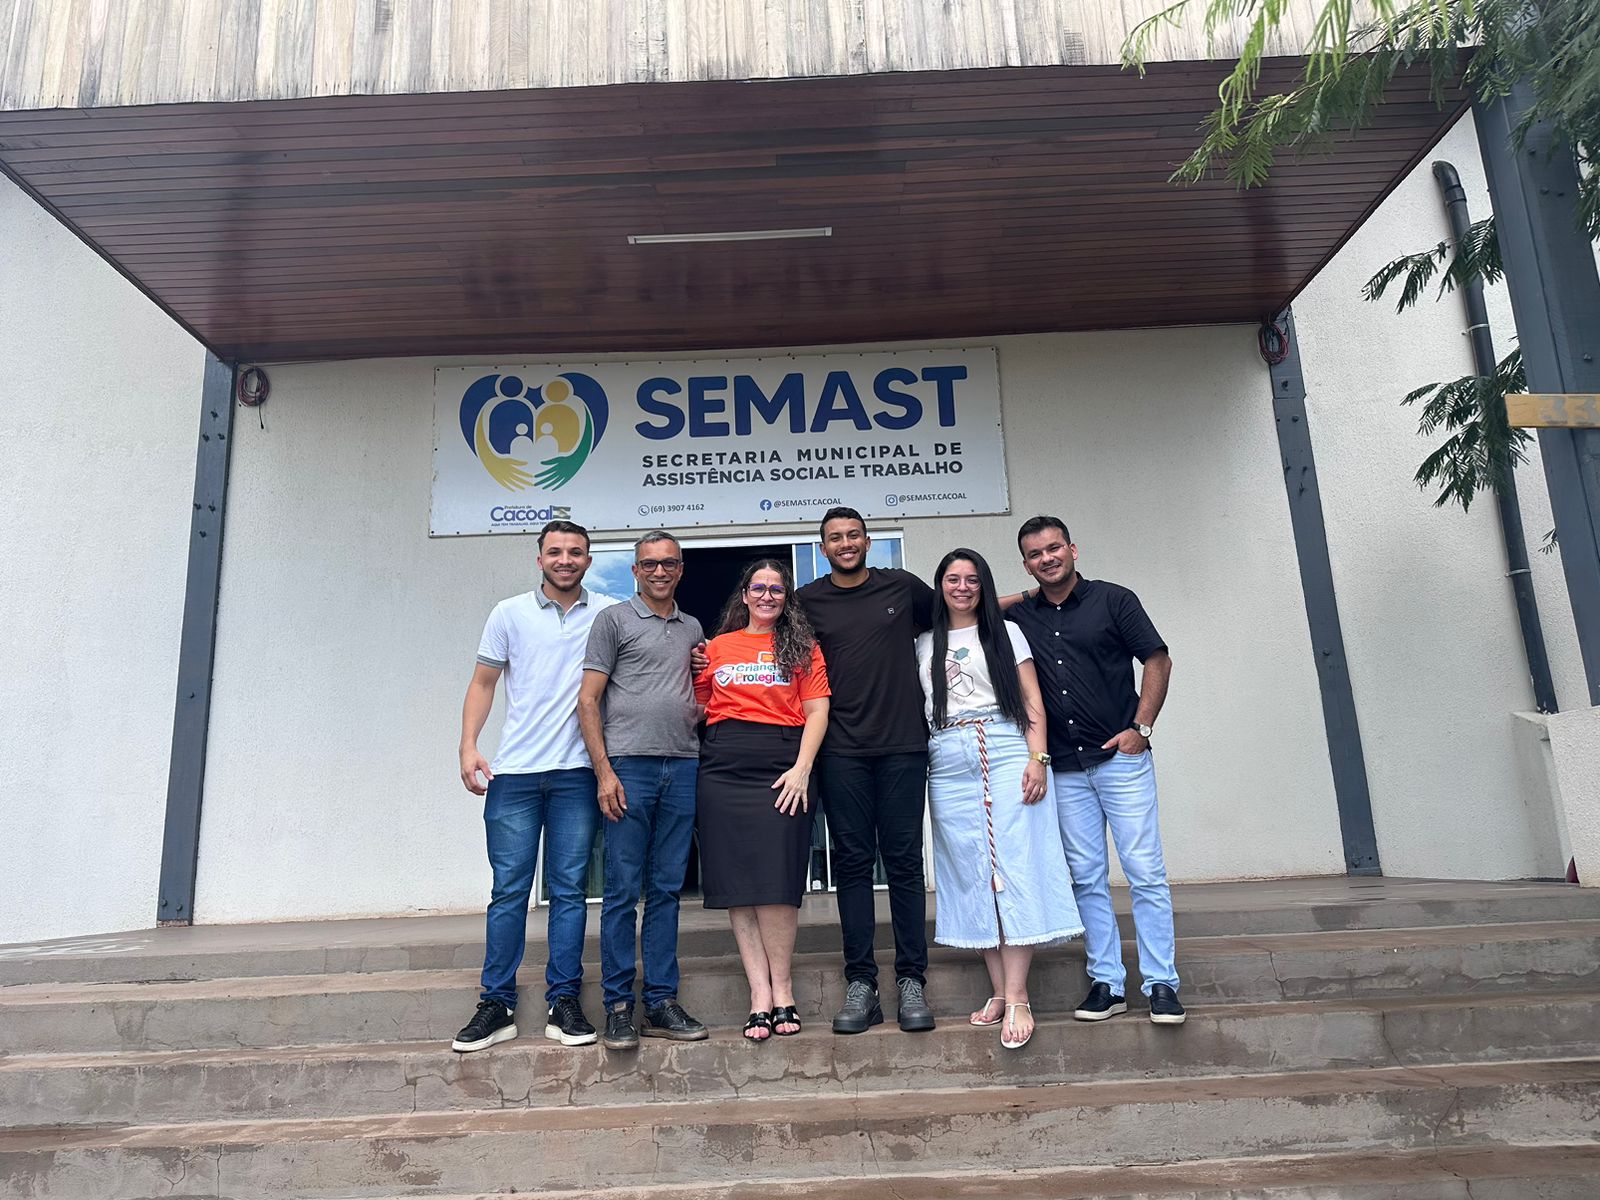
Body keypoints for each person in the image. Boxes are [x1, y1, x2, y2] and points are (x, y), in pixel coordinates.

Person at [1006, 515, 1183, 1026]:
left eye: (1054, 548)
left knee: (1145, 873)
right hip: (1064, 768)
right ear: (1026, 564)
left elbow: (1158, 660)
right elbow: (972, 606)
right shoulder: (1023, 616)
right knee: (1085, 878)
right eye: (1036, 554)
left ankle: (1162, 983)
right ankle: (1107, 982)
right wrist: (1026, 594)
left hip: (1120, 760)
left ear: (1073, 549)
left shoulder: (1114, 600)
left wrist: (1141, 728)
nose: (1047, 558)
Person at [453, 520, 617, 1053]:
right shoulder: (509, 613)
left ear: (588, 560)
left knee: (569, 891)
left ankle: (563, 1002)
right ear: (539, 557)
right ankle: (495, 1005)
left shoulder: (608, 613)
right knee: (508, 892)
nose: (565, 559)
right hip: (515, 774)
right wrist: (468, 746)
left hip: (577, 774)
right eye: (555, 551)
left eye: (575, 552)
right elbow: (483, 682)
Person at [917, 549, 1081, 1050]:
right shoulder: (923, 642)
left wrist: (1039, 758)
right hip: (948, 758)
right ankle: (999, 990)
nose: (962, 587)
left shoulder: (1006, 633)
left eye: (972, 579)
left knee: (1014, 866)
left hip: (1006, 748)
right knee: (971, 871)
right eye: (952, 579)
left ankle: (1018, 997)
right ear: (940, 586)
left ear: (983, 586)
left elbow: (1032, 701)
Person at [796, 507, 937, 1034]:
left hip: (903, 746)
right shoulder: (806, 601)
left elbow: (962, 613)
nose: (846, 543)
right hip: (840, 751)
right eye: (835, 537)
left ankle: (912, 980)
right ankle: (861, 984)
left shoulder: (902, 587)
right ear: (823, 548)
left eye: (853, 534)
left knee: (904, 863)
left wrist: (1024, 600)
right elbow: (766, 642)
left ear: (868, 541)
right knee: (853, 864)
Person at [577, 530, 709, 1051]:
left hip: (683, 764)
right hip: (628, 768)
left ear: (681, 570)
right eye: (649, 563)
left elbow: (693, 690)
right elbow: (588, 701)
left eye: (668, 563)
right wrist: (604, 772)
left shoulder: (692, 627)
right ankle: (617, 1006)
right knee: (622, 891)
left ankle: (660, 1002)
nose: (659, 571)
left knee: (667, 890)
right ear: (635, 570)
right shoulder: (613, 621)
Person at [694, 559, 831, 1041]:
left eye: (777, 589)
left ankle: (783, 989)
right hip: (722, 768)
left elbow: (818, 711)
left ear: (786, 597)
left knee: (776, 882)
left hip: (783, 767)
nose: (767, 595)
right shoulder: (716, 647)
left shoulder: (803, 647)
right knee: (738, 884)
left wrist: (802, 768)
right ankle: (759, 994)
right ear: (745, 595)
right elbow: (697, 707)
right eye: (759, 588)